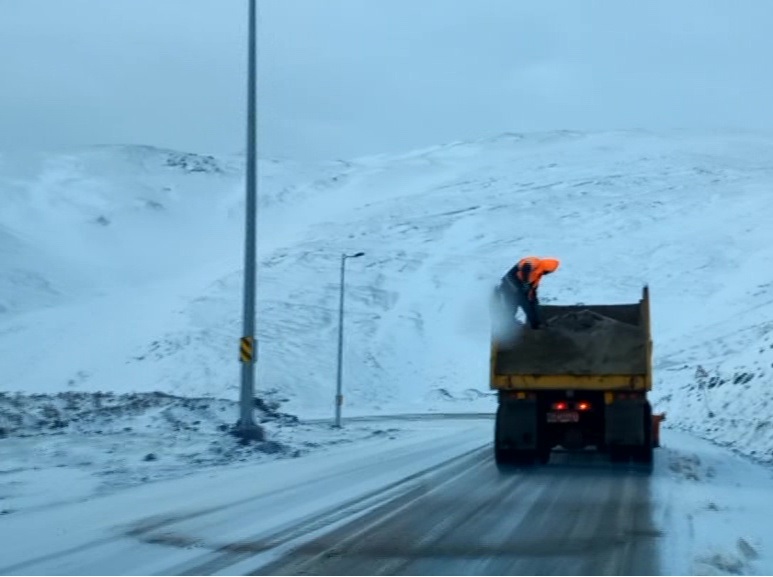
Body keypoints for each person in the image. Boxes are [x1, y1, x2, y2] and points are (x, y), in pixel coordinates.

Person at [497, 256, 560, 329]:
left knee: (530, 302)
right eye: (549, 271)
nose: (547, 273)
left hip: (520, 286)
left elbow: (533, 288)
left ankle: (535, 324)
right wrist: (525, 283)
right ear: (548, 267)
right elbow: (526, 268)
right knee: (518, 302)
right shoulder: (535, 261)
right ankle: (508, 324)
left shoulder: (538, 275)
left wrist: (532, 295)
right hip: (510, 280)